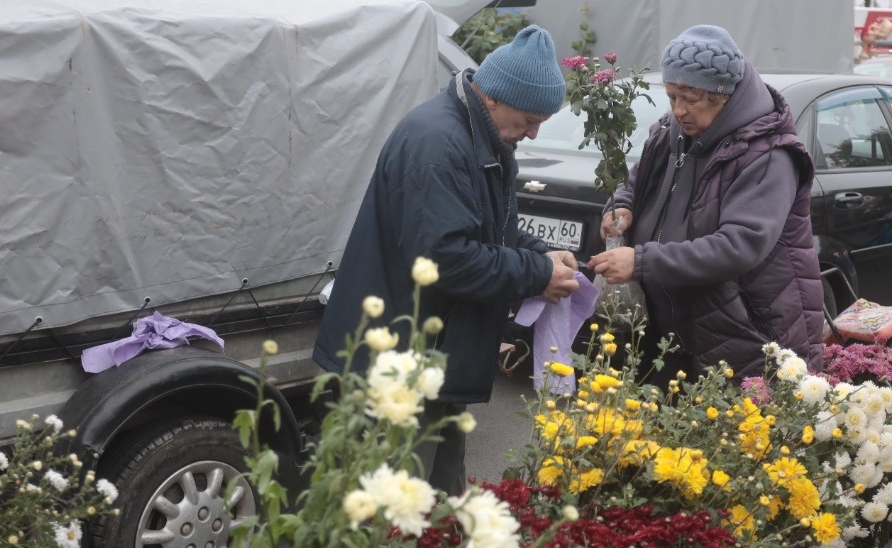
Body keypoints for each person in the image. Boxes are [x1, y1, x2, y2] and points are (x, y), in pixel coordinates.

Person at [312, 25, 580, 496]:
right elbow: (445, 259)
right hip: (399, 366)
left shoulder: (486, 136)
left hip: (438, 357)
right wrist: (536, 275)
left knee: (438, 504)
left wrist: (539, 252)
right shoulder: (438, 144)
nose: (535, 131)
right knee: (394, 513)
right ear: (495, 97)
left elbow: (485, 227)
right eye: (530, 118)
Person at [586, 24, 824, 386]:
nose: (678, 110)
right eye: (671, 96)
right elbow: (636, 180)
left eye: (690, 98)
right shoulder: (672, 133)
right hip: (675, 333)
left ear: (723, 96)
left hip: (746, 336)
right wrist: (622, 204)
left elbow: (739, 246)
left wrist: (642, 261)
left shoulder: (769, 155)